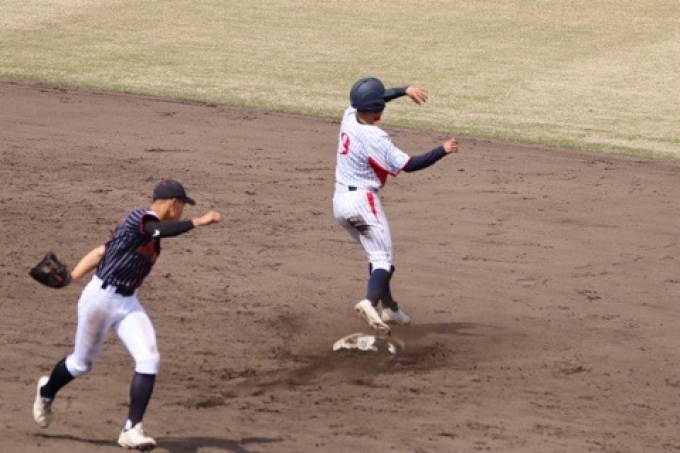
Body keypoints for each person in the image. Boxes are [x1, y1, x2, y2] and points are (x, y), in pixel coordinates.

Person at [32, 179, 222, 451]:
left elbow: (102, 252)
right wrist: (198, 222)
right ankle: (46, 391)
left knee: (149, 358)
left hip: (127, 302)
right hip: (99, 299)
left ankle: (132, 429)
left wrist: (71, 276)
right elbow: (154, 231)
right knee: (81, 364)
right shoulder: (139, 218)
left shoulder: (147, 232)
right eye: (183, 205)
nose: (183, 211)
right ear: (174, 203)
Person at [333, 76, 459, 336]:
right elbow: (409, 165)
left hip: (340, 202)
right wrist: (442, 150)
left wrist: (404, 91)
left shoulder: (349, 115)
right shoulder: (375, 137)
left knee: (378, 256)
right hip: (362, 203)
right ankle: (369, 303)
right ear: (378, 110)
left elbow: (375, 99)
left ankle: (389, 308)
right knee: (383, 261)